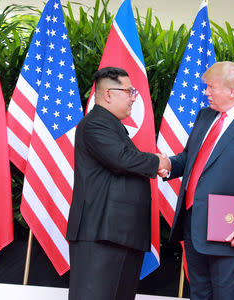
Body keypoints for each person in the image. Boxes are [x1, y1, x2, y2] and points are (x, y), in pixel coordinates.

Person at [160, 61, 234, 300]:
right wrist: (169, 164)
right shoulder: (205, 116)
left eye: (211, 87)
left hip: (230, 231)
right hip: (194, 227)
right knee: (199, 295)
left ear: (233, 90)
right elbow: (191, 157)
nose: (206, 92)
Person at [66, 67, 168, 300]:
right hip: (100, 233)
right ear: (109, 94)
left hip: (119, 233)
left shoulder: (112, 126)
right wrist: (158, 161)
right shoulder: (95, 124)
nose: (133, 97)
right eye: (129, 91)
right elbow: (121, 159)